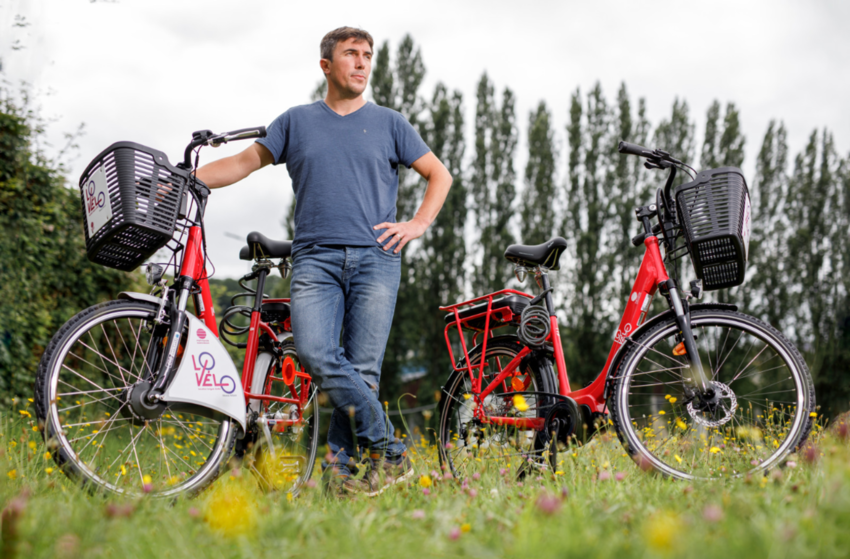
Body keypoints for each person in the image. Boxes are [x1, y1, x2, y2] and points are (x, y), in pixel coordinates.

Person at [195, 26, 453, 496]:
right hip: (314, 259)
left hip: (378, 258)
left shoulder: (391, 123)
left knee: (362, 371)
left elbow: (439, 174)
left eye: (368, 55)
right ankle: (391, 452)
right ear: (326, 66)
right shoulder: (296, 121)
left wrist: (417, 224)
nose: (361, 63)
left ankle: (341, 481)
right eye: (351, 54)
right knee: (317, 355)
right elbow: (242, 163)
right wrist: (187, 180)